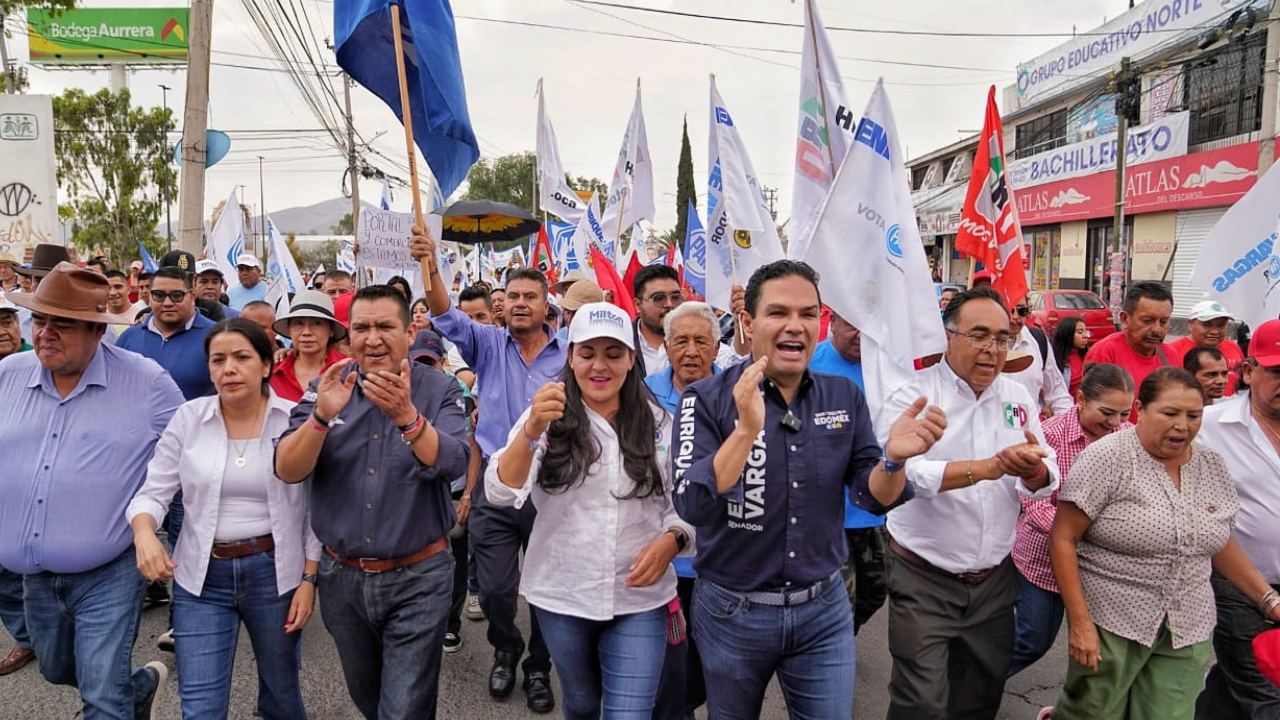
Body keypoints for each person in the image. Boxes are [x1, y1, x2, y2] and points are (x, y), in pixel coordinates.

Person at [673, 260, 944, 719]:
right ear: (748, 321)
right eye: (778, 313)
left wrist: (894, 459)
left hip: (823, 610)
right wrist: (744, 431)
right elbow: (693, 503)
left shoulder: (843, 396)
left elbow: (871, 494)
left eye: (808, 314)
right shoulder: (706, 398)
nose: (794, 326)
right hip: (731, 614)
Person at [274, 284, 471, 720]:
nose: (372, 338)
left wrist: (408, 418)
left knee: (401, 708)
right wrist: (322, 417)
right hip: (342, 579)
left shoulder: (439, 389)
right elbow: (288, 468)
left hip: (419, 576)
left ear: (409, 331)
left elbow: (455, 460)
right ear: (347, 334)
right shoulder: (325, 387)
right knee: (370, 698)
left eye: (385, 326)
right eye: (361, 327)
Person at [488, 302, 694, 718]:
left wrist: (673, 541)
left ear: (632, 359)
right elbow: (500, 490)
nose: (600, 366)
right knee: (581, 703)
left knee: (630, 713)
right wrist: (530, 432)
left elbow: (686, 508)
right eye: (587, 353)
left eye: (613, 354)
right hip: (564, 594)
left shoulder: (660, 423)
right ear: (570, 356)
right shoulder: (546, 414)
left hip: (640, 598)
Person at [1049, 367, 1280, 720]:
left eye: (1194, 415)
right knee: (1093, 712)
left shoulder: (1211, 464)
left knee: (1168, 714)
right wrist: (1080, 625)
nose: (1183, 426)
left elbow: (1217, 541)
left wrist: (1268, 599)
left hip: (1188, 623)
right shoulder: (1108, 457)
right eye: (1170, 413)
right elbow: (1064, 538)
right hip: (1113, 620)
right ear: (1140, 408)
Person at [0, 263, 179, 717]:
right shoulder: (8, 375)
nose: (44, 333)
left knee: (100, 695)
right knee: (59, 668)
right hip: (33, 575)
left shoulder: (147, 383)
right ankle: (138, 688)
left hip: (110, 569)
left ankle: (116, 700)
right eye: (40, 320)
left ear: (98, 330)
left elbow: (188, 452)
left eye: (62, 324)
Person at [879, 287, 1060, 720]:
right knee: (920, 702)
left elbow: (1046, 472)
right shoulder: (914, 395)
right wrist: (988, 467)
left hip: (995, 580)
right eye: (979, 335)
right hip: (923, 575)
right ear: (948, 336)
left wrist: (1032, 470)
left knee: (981, 692)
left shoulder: (1016, 397)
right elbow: (908, 476)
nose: (992, 349)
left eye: (1002, 338)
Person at [128, 319, 320, 719]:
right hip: (201, 577)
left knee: (282, 695)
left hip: (276, 575)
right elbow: (154, 490)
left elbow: (314, 507)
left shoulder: (294, 419)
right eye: (218, 360)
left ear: (267, 364)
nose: (228, 368)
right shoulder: (189, 418)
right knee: (199, 705)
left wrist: (308, 579)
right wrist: (145, 532)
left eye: (241, 357)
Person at [413, 227, 561, 714]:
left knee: (546, 589)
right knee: (496, 587)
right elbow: (442, 313)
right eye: (513, 296)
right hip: (495, 491)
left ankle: (538, 666)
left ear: (546, 306)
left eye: (530, 297)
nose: (520, 303)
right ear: (503, 305)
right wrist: (430, 264)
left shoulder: (571, 356)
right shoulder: (487, 344)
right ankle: (506, 646)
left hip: (552, 491)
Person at [1009, 363, 1134, 677]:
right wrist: (1075, 533)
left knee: (1100, 653)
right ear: (1080, 398)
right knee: (1031, 640)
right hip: (1043, 562)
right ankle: (970, 690)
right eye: (1107, 412)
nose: (1115, 422)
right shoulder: (1048, 435)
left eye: (1124, 413)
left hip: (1099, 566)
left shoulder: (1128, 440)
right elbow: (1032, 503)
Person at [1194, 319, 1280, 719]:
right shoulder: (1209, 427)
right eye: (1277, 372)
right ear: (1248, 371)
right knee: (1265, 693)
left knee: (1232, 690)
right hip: (1240, 586)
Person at [644, 301, 720, 719]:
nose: (691, 351)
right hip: (663, 556)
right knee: (668, 662)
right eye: (681, 341)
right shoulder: (643, 393)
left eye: (701, 341)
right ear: (667, 347)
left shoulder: (737, 392)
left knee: (710, 663)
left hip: (717, 557)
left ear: (716, 346)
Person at [806, 313, 891, 634]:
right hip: (825, 513)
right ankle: (832, 651)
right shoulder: (810, 363)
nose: (861, 335)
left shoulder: (886, 367)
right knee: (840, 601)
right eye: (853, 324)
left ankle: (839, 640)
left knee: (876, 590)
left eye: (868, 327)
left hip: (872, 508)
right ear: (834, 322)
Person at [409, 329, 479, 654]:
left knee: (456, 561)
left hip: (454, 493)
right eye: (418, 361)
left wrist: (467, 495)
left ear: (443, 361)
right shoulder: (400, 391)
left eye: (430, 362)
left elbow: (470, 445)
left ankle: (450, 623)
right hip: (417, 497)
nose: (425, 367)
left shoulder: (459, 392)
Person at [118, 265, 217, 400]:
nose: (168, 303)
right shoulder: (129, 338)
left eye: (177, 295)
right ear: (150, 297)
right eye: (159, 295)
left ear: (192, 296)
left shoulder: (217, 337)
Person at [0, 294, 34, 676]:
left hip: (36, 481)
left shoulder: (37, 361)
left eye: (7, 320)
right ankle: (27, 637)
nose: (2, 330)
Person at [1084, 281, 1173, 421]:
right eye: (1147, 320)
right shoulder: (1105, 352)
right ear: (1125, 318)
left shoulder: (1171, 355)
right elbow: (1091, 413)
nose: (1157, 329)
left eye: (1163, 322)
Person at [631, 264, 743, 375]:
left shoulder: (701, 335)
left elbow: (737, 364)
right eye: (659, 298)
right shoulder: (624, 341)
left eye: (675, 297)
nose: (669, 304)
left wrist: (740, 322)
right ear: (637, 305)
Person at [269, 290, 348, 403]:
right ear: (290, 329)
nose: (306, 332)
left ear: (331, 330)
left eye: (317, 323)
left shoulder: (348, 369)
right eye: (298, 323)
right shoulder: (272, 372)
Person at [1006, 296, 1073, 416]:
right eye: (1009, 309)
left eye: (1022, 311)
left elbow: (1057, 392)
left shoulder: (1038, 340)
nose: (1015, 317)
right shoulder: (976, 346)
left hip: (1030, 430)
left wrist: (1065, 427)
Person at [1168, 300, 1245, 395]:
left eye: (1221, 325)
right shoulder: (1172, 351)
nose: (1214, 331)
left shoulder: (1233, 347)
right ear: (1190, 324)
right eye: (1207, 324)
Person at [1052, 316, 1090, 398]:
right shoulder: (1054, 360)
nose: (1085, 336)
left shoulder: (1089, 356)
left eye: (1086, 332)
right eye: (1080, 332)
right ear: (1067, 334)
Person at [104, 270, 145, 338]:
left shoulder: (142, 316)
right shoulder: (97, 318)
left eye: (118, 287)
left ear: (128, 289)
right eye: (107, 288)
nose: (112, 293)